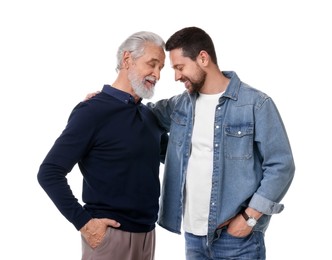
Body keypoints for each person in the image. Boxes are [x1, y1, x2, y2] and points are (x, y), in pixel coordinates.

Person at [147, 27, 296, 260]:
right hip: (193, 237)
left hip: (238, 239)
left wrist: (249, 218)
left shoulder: (255, 104)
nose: (176, 76)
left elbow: (281, 165)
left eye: (180, 67)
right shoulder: (180, 106)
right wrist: (107, 99)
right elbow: (141, 118)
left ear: (203, 58)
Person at [37, 31, 168, 260]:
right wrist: (84, 223)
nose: (157, 74)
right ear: (127, 60)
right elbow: (49, 172)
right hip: (110, 238)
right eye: (152, 64)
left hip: (148, 236)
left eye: (161, 68)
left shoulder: (149, 117)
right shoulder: (92, 111)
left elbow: (179, 157)